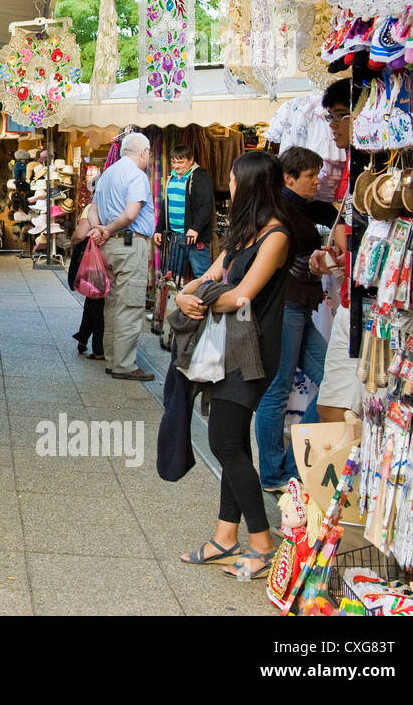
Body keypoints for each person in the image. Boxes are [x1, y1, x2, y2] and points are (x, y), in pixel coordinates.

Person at [176, 151, 291, 580]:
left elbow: (241, 295)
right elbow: (208, 277)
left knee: (225, 442)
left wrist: (201, 300)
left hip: (253, 351)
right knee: (233, 441)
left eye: (234, 179)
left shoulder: (276, 236)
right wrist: (184, 294)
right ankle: (225, 538)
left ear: (251, 184)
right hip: (226, 346)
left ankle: (262, 545)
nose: (230, 185)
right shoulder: (243, 232)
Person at [255, 146, 327, 492]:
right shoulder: (281, 210)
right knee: (277, 388)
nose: (317, 181)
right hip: (287, 305)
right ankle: (274, 473)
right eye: (311, 175)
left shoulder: (298, 208)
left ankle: (286, 467)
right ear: (288, 177)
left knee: (333, 381)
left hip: (301, 306)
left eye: (317, 174)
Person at [308, 78, 364, 423]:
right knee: (335, 404)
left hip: (364, 305)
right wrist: (332, 256)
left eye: (341, 116)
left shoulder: (364, 167)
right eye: (330, 117)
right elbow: (345, 243)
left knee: (347, 406)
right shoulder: (350, 169)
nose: (333, 126)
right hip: (349, 299)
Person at [89, 132, 156, 381]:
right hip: (128, 243)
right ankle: (124, 364)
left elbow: (93, 209)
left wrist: (99, 229)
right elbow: (130, 214)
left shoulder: (108, 173)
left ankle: (112, 358)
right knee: (129, 304)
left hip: (108, 247)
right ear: (143, 153)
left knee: (113, 304)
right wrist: (107, 229)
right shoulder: (136, 175)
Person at [155, 144, 214, 279]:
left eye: (181, 162)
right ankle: (175, 301)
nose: (176, 166)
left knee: (203, 276)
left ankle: (207, 300)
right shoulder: (172, 177)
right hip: (175, 236)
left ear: (191, 160)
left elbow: (206, 206)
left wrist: (195, 228)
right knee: (173, 278)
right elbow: (166, 205)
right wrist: (159, 229)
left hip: (193, 237)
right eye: (173, 162)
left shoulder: (200, 177)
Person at [68, 186, 104, 359]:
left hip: (94, 261)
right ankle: (84, 339)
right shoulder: (118, 206)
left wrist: (72, 242)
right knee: (95, 301)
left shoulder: (92, 208)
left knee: (95, 301)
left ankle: (97, 347)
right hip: (109, 259)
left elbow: (81, 234)